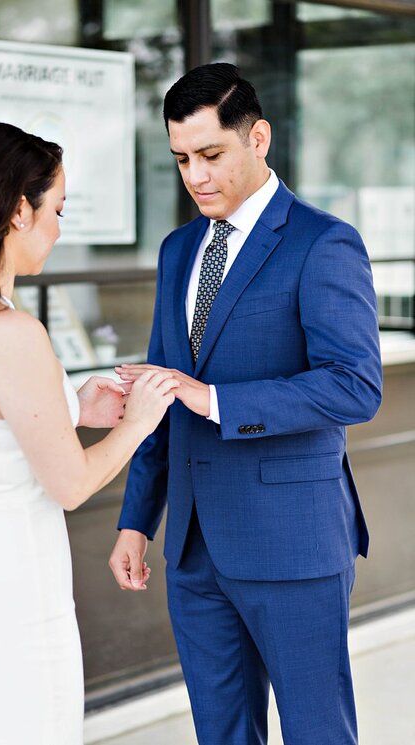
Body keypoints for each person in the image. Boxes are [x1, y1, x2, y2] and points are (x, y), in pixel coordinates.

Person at [110, 63, 383, 745]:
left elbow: (356, 383)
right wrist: (136, 519)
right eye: (181, 160)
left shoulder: (323, 243)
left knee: (318, 732)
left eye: (210, 154)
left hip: (292, 542)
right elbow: (161, 391)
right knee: (222, 734)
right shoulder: (178, 250)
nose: (195, 176)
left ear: (257, 138)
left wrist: (219, 399)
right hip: (196, 550)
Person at [0, 121, 179, 744]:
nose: (60, 228)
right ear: (16, 211)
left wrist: (70, 407)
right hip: (12, 592)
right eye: (56, 209)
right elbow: (69, 483)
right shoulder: (12, 334)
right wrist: (139, 422)